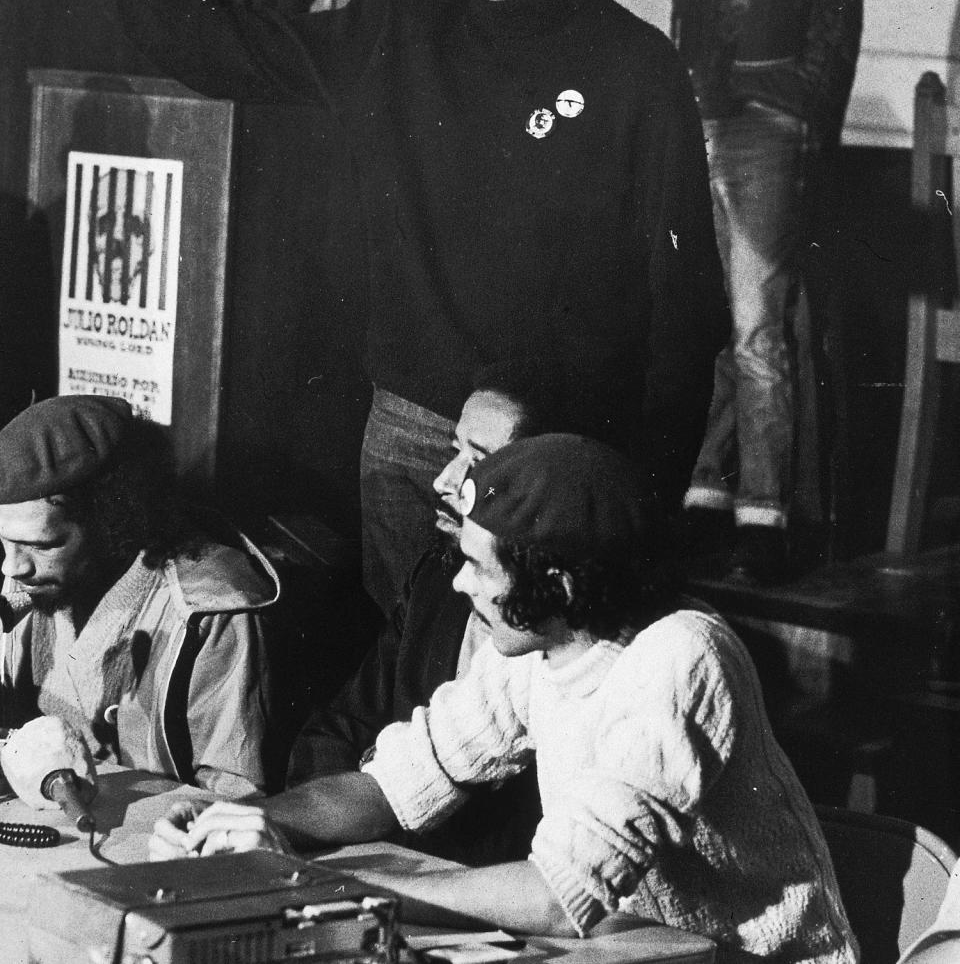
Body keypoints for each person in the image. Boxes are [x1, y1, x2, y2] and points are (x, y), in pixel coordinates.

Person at [0, 0, 728, 615]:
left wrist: (646, 496)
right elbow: (213, 44)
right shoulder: (399, 32)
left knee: (537, 685)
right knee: (409, 674)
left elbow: (684, 307)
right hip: (409, 437)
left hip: (554, 452)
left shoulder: (636, 69)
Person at [150, 434, 857, 962]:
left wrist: (342, 894)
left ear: (562, 583)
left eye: (477, 568)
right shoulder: (539, 645)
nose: (458, 585)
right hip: (637, 950)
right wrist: (249, 819)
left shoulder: (681, 654)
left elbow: (557, 894)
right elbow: (395, 783)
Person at [672, 0, 901, 584]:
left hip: (772, 127)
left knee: (759, 328)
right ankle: (706, 498)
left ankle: (764, 520)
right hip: (706, 121)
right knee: (724, 329)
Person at [287, 364, 560, 866]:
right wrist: (277, 825)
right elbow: (342, 732)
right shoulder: (440, 580)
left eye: (477, 462)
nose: (443, 480)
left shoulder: (589, 651)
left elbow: (556, 885)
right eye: (454, 451)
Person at [0, 394, 279, 797]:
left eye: (43, 545)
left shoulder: (212, 609)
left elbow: (236, 798)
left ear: (111, 520)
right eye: (4, 542)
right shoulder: (32, 576)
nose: (13, 568)